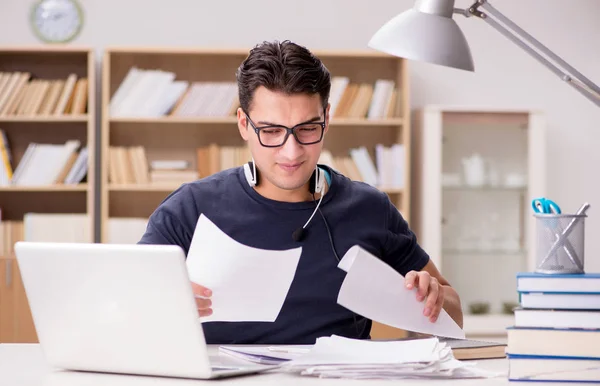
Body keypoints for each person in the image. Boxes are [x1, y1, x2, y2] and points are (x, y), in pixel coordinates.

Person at [138, 40, 463, 345]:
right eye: (271, 131)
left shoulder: (370, 208)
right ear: (243, 124)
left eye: (307, 129)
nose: (291, 152)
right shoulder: (190, 208)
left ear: (326, 117)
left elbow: (455, 315)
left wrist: (433, 297)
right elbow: (124, 304)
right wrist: (158, 301)